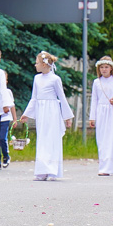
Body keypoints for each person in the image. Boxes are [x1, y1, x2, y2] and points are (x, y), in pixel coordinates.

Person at [19, 51, 74, 181]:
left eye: (37, 63)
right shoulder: (37, 78)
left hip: (52, 111)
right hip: (41, 111)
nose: (35, 65)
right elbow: (34, 98)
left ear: (44, 64)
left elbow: (62, 97)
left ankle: (52, 170)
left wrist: (67, 117)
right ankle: (42, 170)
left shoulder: (55, 79)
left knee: (51, 139)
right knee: (42, 139)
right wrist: (26, 114)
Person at [88, 56, 113, 176]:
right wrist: (92, 117)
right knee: (102, 139)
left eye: (106, 67)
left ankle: (110, 167)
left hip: (112, 112)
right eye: (102, 67)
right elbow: (94, 99)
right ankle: (103, 165)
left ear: (111, 68)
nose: (104, 69)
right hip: (101, 112)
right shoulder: (96, 82)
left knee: (112, 138)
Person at [0, 73, 16, 168]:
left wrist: (14, 119)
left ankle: (6, 156)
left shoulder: (8, 92)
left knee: (2, 138)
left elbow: (12, 106)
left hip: (5, 118)